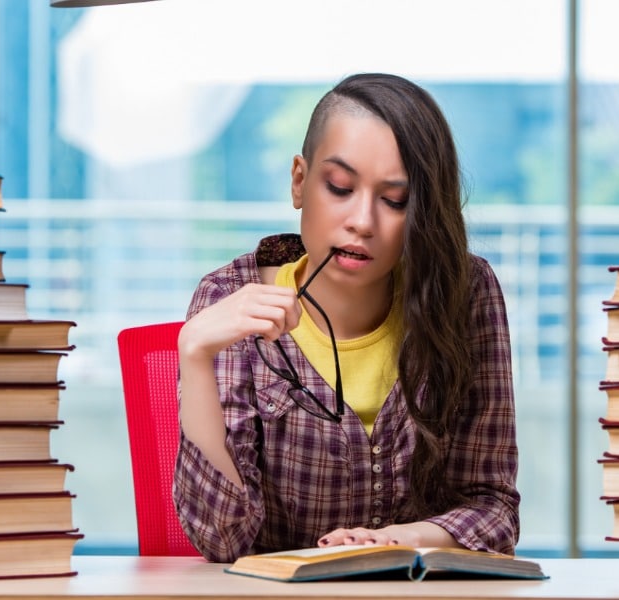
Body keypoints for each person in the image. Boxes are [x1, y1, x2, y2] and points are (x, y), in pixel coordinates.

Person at [174, 72, 519, 563]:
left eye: (395, 200)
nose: (362, 220)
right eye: (339, 187)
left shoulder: (466, 294)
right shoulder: (226, 297)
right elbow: (221, 538)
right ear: (299, 181)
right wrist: (194, 352)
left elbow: (494, 509)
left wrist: (403, 540)